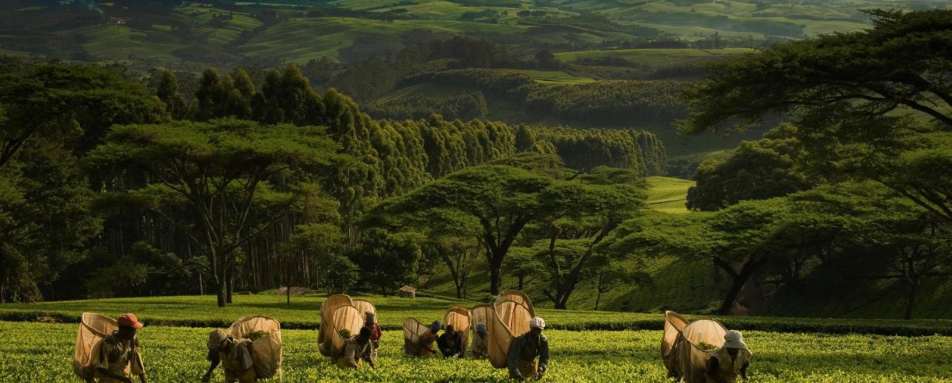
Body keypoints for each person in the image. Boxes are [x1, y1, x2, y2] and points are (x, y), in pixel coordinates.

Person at [87, 313, 147, 383]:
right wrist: (122, 379)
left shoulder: (132, 342)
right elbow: (101, 369)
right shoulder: (109, 343)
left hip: (125, 378)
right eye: (132, 330)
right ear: (124, 330)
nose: (134, 332)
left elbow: (139, 366)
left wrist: (144, 381)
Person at [507, 317, 549, 381]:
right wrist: (516, 372)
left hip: (532, 364)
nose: (537, 332)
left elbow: (544, 356)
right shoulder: (520, 339)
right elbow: (512, 357)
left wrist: (541, 369)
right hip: (520, 364)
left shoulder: (543, 340)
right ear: (531, 328)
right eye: (535, 329)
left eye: (539, 330)